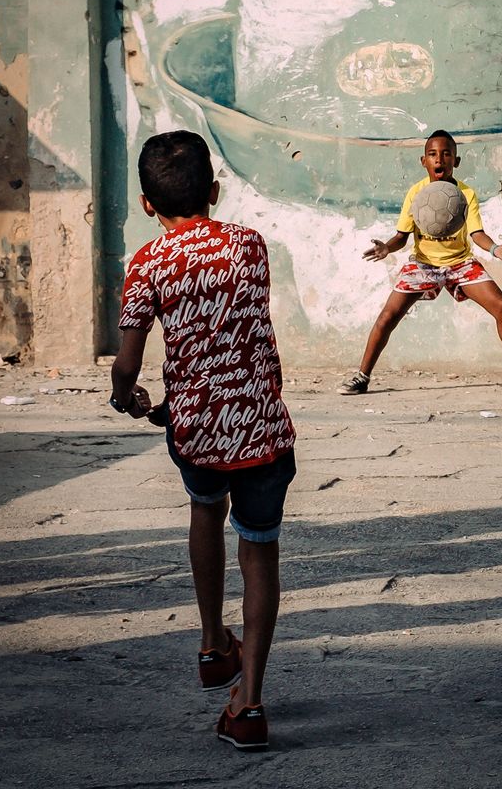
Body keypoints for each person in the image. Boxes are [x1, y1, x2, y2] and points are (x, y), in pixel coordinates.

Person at [110, 130, 296, 752]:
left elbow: (129, 363)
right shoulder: (249, 245)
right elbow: (232, 329)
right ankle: (249, 705)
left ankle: (214, 645)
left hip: (195, 430)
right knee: (260, 551)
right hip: (263, 432)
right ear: (214, 192)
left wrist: (126, 397)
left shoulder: (147, 264)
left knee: (204, 511)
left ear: (145, 204)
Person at [339, 130, 502, 395]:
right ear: (424, 161)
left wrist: (496, 250)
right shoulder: (415, 193)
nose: (439, 159)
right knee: (388, 316)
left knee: (500, 306)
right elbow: (401, 237)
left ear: (456, 162)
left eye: (446, 154)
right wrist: (386, 248)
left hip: (460, 263)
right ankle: (361, 377)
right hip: (424, 263)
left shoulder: (466, 194)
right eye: (433, 154)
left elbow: (477, 234)